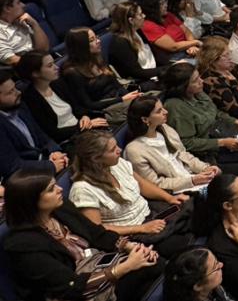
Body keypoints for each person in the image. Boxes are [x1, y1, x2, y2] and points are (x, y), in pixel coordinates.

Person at [2, 166, 164, 301]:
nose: (60, 189)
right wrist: (128, 266)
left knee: (155, 264)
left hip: (97, 265)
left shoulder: (60, 207)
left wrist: (131, 248)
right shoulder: (22, 245)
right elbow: (69, 287)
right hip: (76, 291)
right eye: (51, 189)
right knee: (155, 274)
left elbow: (95, 233)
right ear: (31, 201)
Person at [69, 129, 192, 258]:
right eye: (112, 149)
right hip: (133, 235)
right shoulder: (82, 189)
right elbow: (97, 230)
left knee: (198, 216)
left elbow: (142, 184)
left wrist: (169, 197)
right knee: (185, 247)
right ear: (96, 158)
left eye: (116, 145)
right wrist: (140, 228)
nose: (119, 150)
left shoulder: (116, 164)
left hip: (152, 214)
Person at [164, 62, 238, 172]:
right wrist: (222, 142)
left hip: (226, 132)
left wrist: (236, 122)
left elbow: (215, 112)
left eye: (199, 76)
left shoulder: (197, 92)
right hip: (211, 152)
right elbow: (186, 143)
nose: (201, 81)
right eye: (195, 81)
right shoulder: (176, 108)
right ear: (182, 87)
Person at [124, 94, 222, 194]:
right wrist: (192, 181)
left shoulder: (165, 129)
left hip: (192, 179)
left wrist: (205, 168)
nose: (165, 112)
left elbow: (184, 155)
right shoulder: (134, 150)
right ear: (145, 119)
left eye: (163, 108)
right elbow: (154, 185)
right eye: (159, 111)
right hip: (177, 192)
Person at [19, 51, 108, 146]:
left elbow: (78, 107)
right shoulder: (31, 99)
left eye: (53, 63)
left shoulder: (57, 83)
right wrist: (81, 127)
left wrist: (84, 116)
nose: (56, 67)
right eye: (49, 66)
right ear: (35, 73)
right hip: (68, 140)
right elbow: (53, 133)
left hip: (83, 129)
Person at [0, 69, 68, 179]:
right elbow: (13, 166)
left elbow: (42, 136)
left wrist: (55, 151)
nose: (18, 92)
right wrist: (50, 166)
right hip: (26, 176)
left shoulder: (20, 107)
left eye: (15, 88)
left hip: (46, 160)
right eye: (10, 92)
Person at [60, 27, 141, 120]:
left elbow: (117, 85)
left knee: (149, 101)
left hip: (120, 101)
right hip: (105, 110)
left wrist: (132, 98)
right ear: (81, 45)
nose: (98, 41)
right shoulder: (72, 73)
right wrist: (123, 99)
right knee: (146, 109)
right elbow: (88, 105)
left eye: (96, 37)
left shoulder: (98, 58)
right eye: (92, 40)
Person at [107, 1, 166, 90]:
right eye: (140, 14)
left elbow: (153, 55)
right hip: (140, 82)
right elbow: (136, 72)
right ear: (131, 20)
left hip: (153, 73)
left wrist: (173, 65)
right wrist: (165, 70)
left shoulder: (137, 31)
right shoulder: (120, 42)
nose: (144, 16)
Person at [138, 0, 202, 60]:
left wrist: (192, 46)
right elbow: (173, 46)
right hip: (174, 56)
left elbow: (187, 31)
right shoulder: (148, 25)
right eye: (162, 3)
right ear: (152, 7)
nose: (166, 5)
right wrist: (195, 42)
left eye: (165, 1)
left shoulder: (168, 15)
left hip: (188, 49)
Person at [163, 247, 235, 301]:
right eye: (216, 268)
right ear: (198, 285)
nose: (221, 264)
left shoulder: (211, 289)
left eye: (216, 260)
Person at [0, 0, 50, 65]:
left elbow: (44, 49)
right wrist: (40, 64)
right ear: (7, 8)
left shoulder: (21, 20)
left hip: (39, 61)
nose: (23, 5)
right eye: (18, 2)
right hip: (26, 69)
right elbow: (10, 59)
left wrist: (34, 24)